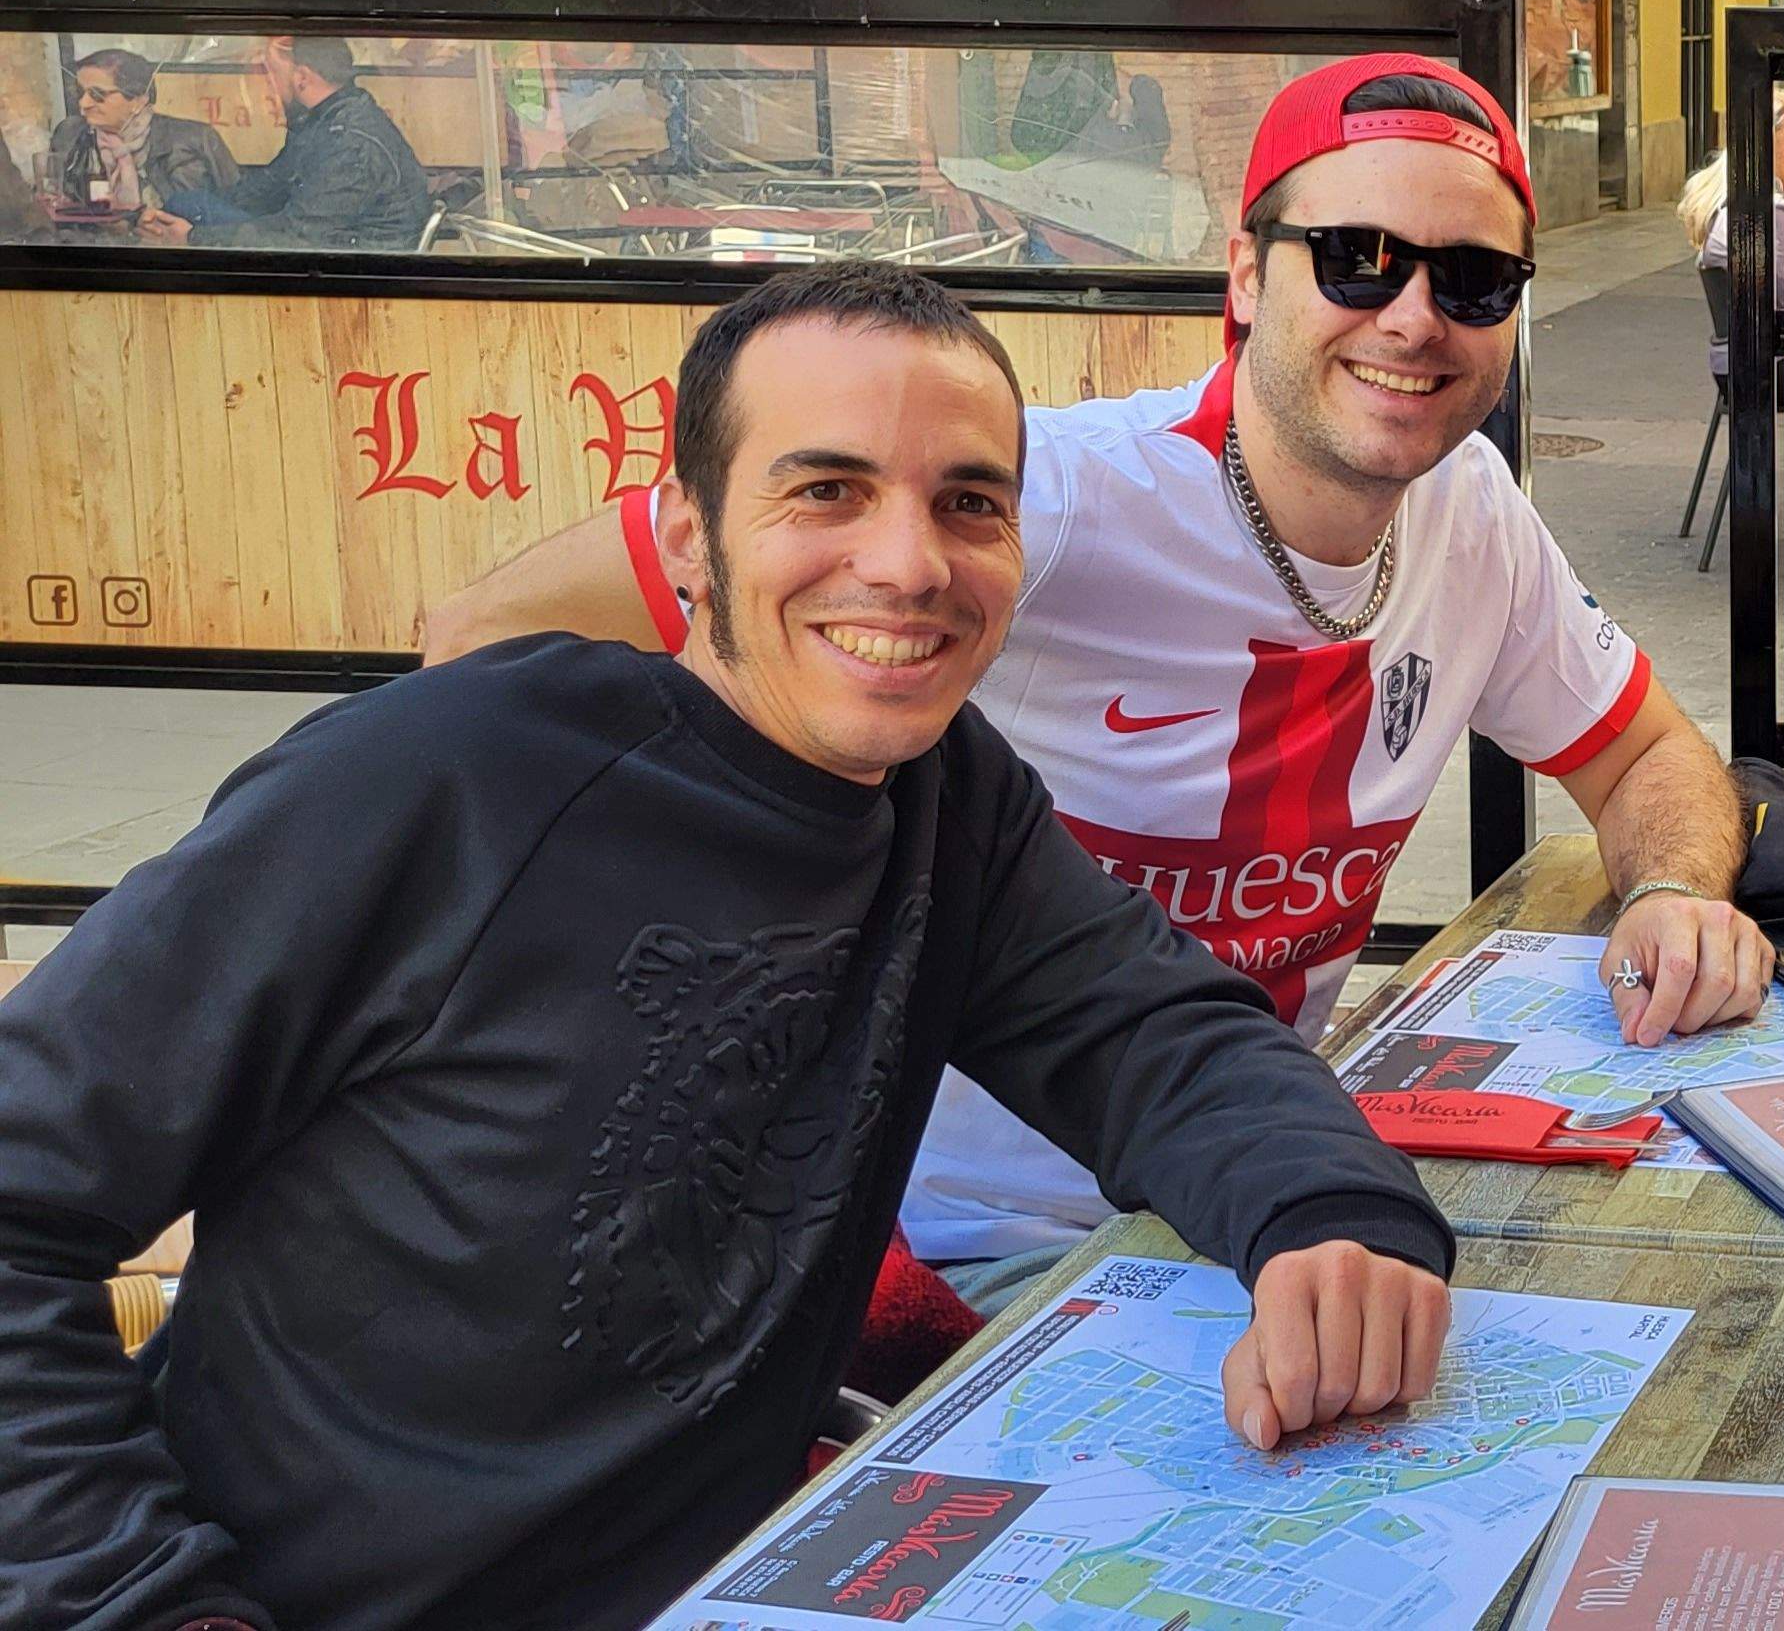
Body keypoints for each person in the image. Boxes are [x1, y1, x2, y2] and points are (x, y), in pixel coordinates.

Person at [0, 263, 1458, 1631]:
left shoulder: (951, 802)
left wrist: (1333, 1214)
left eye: (970, 504)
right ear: (688, 535)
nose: (908, 564)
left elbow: (1152, 1035)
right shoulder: (442, 782)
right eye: (826, 490)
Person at [425, 54, 1773, 1305]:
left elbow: (1647, 752)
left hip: (1258, 1182)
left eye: (1474, 281)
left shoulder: (1467, 507)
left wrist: (1670, 891)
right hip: (989, 1251)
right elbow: (490, 640)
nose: (1414, 317)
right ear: (1245, 275)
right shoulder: (1030, 504)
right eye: (1358, 261)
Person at [140, 35, 433, 251]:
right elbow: (267, 188)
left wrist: (194, 237)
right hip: (326, 241)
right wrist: (174, 216)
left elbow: (300, 237)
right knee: (188, 204)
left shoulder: (349, 143)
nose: (269, 86)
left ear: (302, 77)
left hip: (357, 264)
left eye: (272, 75)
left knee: (192, 217)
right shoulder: (323, 120)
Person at [1681, 88, 1784, 384]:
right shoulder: (1771, 214)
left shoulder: (1745, 205)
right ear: (1762, 148)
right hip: (1770, 364)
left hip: (1744, 359)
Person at [45, 48, 239, 218]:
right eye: (80, 93)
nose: (83, 104)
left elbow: (236, 208)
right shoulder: (70, 135)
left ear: (138, 101)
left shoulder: (195, 139)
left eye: (97, 95)